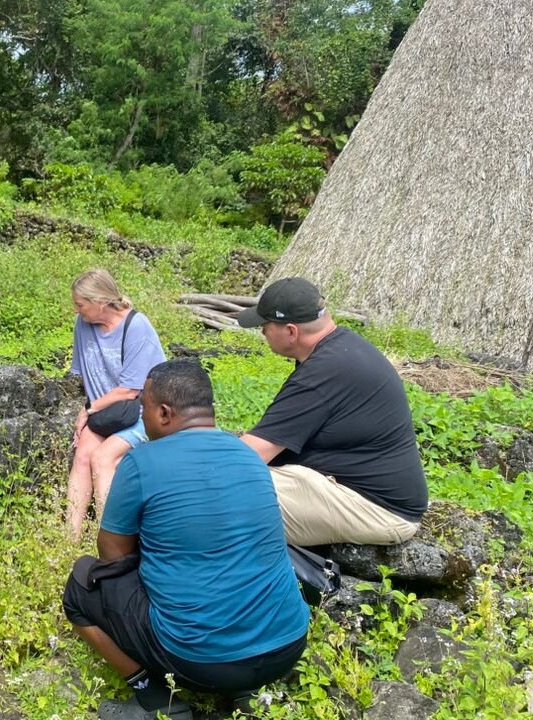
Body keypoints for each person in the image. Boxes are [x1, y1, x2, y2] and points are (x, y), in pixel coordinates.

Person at [63, 360, 309, 720]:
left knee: (80, 584)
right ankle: (244, 693)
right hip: (287, 646)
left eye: (142, 407)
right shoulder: (249, 455)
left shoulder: (141, 462)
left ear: (164, 412)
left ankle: (155, 698)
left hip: (198, 661)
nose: (140, 416)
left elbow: (112, 556)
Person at [237, 277, 428, 546]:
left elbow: (252, 454)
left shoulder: (324, 371)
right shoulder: (342, 349)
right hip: (349, 489)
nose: (262, 333)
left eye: (265, 325)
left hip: (376, 509)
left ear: (291, 332)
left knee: (219, 494)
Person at [66, 269, 165, 541]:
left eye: (80, 304)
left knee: (103, 457)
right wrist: (89, 413)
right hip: (106, 412)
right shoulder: (82, 325)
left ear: (99, 302)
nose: (76, 310)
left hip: (143, 413)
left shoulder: (137, 326)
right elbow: (86, 373)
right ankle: (68, 536)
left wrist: (87, 411)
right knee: (83, 454)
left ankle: (108, 537)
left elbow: (130, 389)